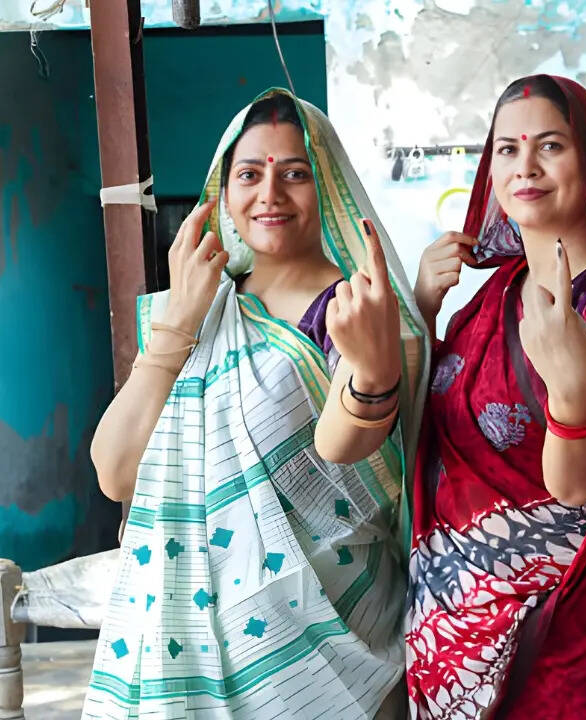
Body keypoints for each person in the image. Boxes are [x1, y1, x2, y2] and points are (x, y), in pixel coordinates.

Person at [84, 89, 428, 719]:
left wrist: (372, 370)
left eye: (294, 173)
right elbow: (115, 472)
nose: (270, 194)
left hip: (329, 644)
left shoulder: (355, 312)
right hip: (192, 638)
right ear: (222, 192)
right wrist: (177, 325)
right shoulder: (200, 309)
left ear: (328, 184)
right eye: (249, 174)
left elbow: (346, 447)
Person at [405, 74, 586, 718]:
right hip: (447, 640)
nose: (525, 166)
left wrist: (569, 383)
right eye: (507, 149)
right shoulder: (495, 292)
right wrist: (420, 309)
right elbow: (428, 425)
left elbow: (578, 482)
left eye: (550, 146)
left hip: (558, 644)